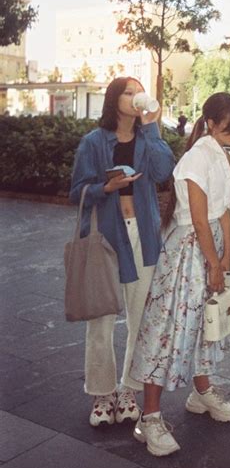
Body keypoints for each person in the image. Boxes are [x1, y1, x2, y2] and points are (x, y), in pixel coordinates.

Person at [129, 92, 230, 457]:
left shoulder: (221, 154)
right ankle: (149, 417)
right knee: (166, 327)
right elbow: (198, 218)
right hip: (188, 252)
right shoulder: (197, 157)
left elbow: (223, 208)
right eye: (229, 129)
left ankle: (201, 391)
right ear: (210, 123)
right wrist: (215, 261)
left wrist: (227, 254)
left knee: (202, 324)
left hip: (209, 246)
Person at [69, 77, 175, 428]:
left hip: (142, 235)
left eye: (138, 92)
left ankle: (129, 389)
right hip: (107, 238)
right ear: (114, 99)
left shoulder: (148, 137)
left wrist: (152, 125)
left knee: (140, 320)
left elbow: (163, 172)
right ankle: (101, 393)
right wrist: (106, 186)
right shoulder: (93, 142)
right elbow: (78, 192)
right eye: (128, 92)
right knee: (100, 319)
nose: (135, 97)